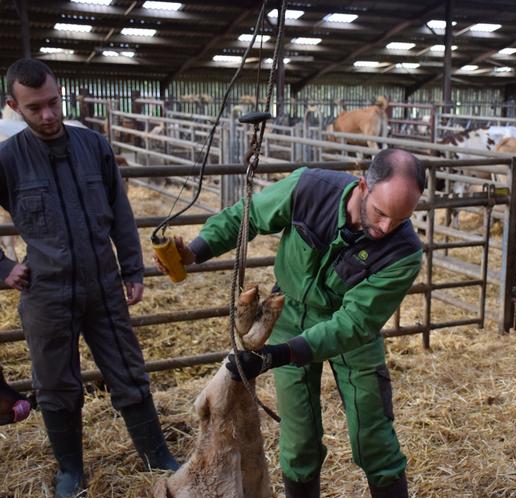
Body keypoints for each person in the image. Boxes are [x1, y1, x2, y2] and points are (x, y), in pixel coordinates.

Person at [161, 148, 425, 498]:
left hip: (351, 334)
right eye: (380, 213)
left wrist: (279, 355)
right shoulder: (309, 189)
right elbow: (249, 216)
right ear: (363, 185)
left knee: (372, 438)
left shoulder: (403, 251)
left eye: (399, 219)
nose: (385, 228)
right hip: (288, 314)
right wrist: (197, 250)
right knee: (298, 441)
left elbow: (355, 322)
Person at [0, 58, 178, 497]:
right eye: (35, 108)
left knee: (129, 372)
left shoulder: (92, 145)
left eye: (54, 103)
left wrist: (132, 267)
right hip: (46, 290)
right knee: (56, 383)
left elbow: (120, 208)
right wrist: (4, 268)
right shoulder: (7, 159)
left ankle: (157, 457)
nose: (49, 115)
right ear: (13, 106)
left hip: (103, 284)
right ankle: (70, 471)